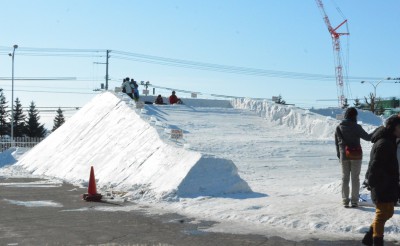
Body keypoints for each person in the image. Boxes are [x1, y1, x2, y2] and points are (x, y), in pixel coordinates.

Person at [361, 115, 400, 246]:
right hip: (382, 184)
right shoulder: (384, 143)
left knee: (388, 212)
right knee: (381, 214)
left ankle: (368, 237)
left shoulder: (390, 141)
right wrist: (373, 183)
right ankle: (377, 241)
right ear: (394, 128)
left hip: (388, 182)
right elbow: (375, 165)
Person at [335, 107, 373, 208]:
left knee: (345, 178)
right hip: (356, 155)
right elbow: (368, 137)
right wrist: (378, 131)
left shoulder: (339, 127)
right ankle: (354, 201)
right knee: (355, 178)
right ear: (354, 116)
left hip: (344, 155)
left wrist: (340, 155)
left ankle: (345, 200)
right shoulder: (356, 127)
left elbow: (337, 143)